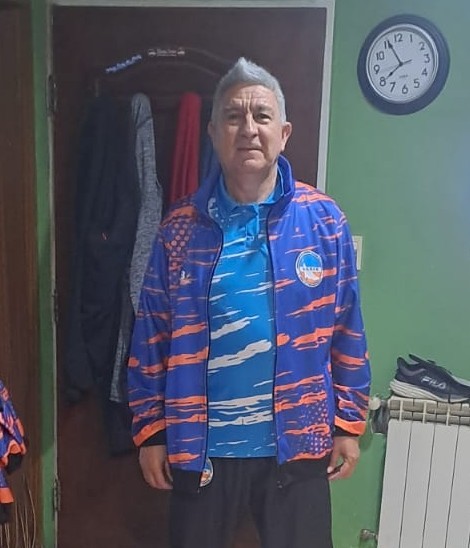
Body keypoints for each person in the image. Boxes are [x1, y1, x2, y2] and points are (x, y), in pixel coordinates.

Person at [128, 57, 371, 548]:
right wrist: (151, 430)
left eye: (262, 116)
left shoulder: (324, 221)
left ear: (284, 133)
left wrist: (348, 423)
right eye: (234, 117)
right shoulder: (179, 229)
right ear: (214, 133)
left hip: (299, 440)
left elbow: (348, 329)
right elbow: (152, 334)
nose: (248, 129)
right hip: (202, 445)